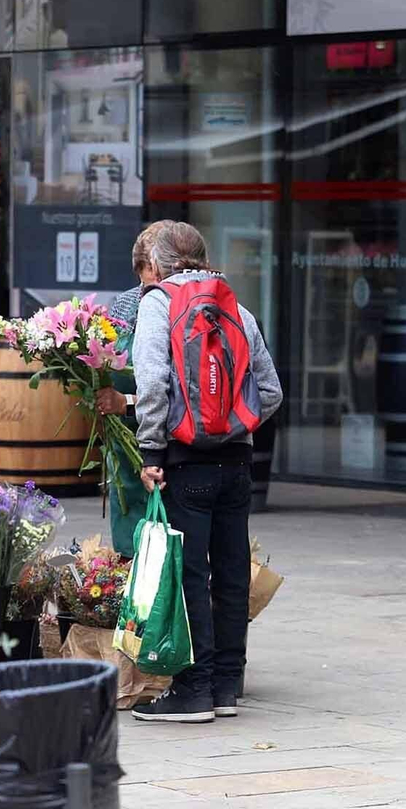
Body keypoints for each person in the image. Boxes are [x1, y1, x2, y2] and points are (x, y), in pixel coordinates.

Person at [129, 223, 282, 725]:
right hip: (238, 464)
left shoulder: (159, 304)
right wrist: (234, 423)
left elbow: (152, 383)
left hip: (185, 461)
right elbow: (272, 390)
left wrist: (152, 449)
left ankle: (193, 691)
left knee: (189, 572)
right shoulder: (235, 305)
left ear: (156, 265)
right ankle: (226, 688)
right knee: (232, 572)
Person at [94, 220, 175, 556]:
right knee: (130, 547)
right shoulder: (125, 305)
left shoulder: (183, 310)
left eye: (153, 277)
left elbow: (177, 392)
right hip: (126, 451)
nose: (148, 291)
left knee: (167, 544)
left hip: (168, 446)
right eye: (143, 280)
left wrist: (125, 401)